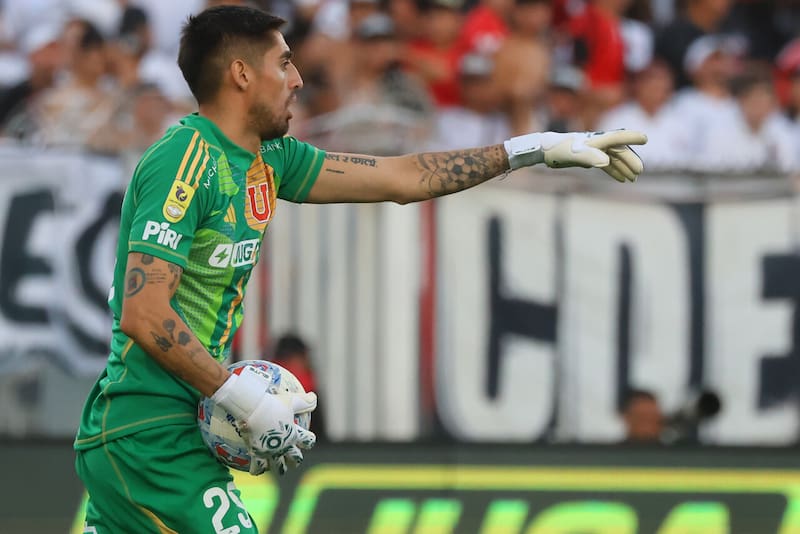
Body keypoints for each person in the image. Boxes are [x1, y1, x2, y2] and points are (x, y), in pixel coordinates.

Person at [73, 5, 646, 533]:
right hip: (147, 434)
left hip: (163, 434)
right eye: (285, 62)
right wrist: (241, 396)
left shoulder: (269, 159)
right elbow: (144, 311)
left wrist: (533, 148)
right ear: (242, 75)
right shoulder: (185, 158)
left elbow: (403, 177)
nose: (298, 79)